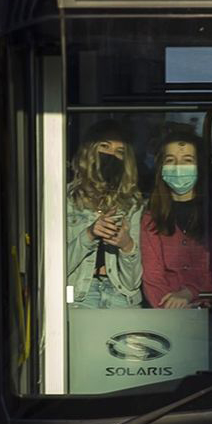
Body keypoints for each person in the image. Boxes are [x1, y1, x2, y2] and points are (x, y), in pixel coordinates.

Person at [65, 120, 143, 307]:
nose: (111, 155)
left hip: (121, 296)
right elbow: (54, 269)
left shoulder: (132, 204)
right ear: (89, 151)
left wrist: (126, 245)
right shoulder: (66, 199)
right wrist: (90, 234)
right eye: (104, 147)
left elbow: (132, 282)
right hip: (79, 296)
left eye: (119, 152)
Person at [141, 126, 212, 309]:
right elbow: (152, 277)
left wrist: (191, 293)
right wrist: (170, 310)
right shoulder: (150, 218)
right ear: (161, 167)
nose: (178, 168)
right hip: (167, 316)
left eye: (187, 160)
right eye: (171, 160)